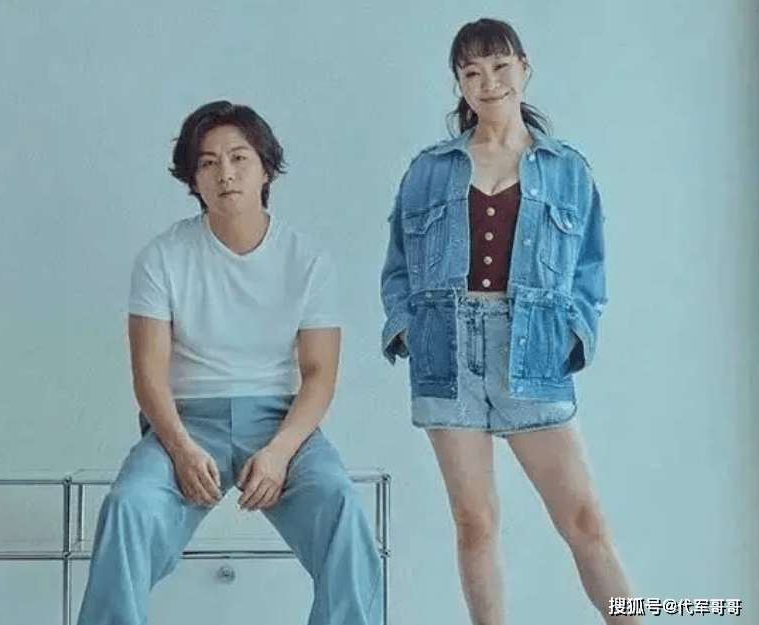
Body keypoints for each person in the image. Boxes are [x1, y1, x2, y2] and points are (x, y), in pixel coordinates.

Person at [77, 100, 383, 625]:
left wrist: (280, 452)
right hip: (186, 422)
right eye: (208, 162)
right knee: (128, 506)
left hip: (280, 420)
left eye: (239, 158)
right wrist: (179, 447)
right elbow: (148, 374)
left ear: (266, 168)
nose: (225, 173)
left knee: (342, 506)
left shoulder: (307, 259)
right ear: (193, 179)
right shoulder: (162, 257)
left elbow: (319, 374)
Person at [380, 18, 639, 625]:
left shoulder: (568, 169)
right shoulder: (427, 170)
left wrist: (572, 335)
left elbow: (590, 271)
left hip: (533, 351)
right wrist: (410, 331)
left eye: (499, 66)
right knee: (475, 523)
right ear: (459, 84)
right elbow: (397, 267)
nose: (488, 82)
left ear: (524, 67)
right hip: (447, 355)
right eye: (472, 72)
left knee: (585, 522)